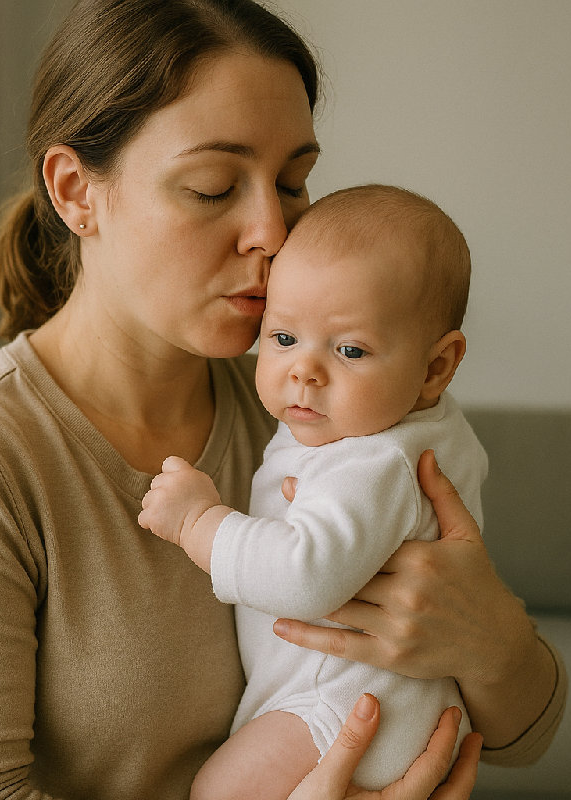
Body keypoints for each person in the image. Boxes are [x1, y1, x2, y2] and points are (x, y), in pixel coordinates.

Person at [0, 2, 565, 799]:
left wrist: (492, 639)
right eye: (213, 186)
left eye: (294, 181)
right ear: (75, 191)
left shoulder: (311, 405)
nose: (273, 229)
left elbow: (528, 734)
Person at [138, 184, 484, 796]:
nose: (304, 371)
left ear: (436, 367)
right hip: (368, 698)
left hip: (350, 708)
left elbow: (307, 577)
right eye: (283, 338)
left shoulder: (375, 461)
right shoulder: (412, 426)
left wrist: (200, 523)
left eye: (349, 349)